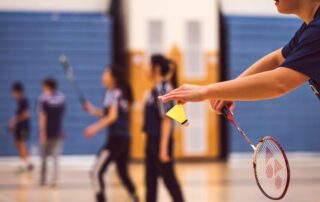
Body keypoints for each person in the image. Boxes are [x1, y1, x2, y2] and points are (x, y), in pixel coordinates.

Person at [160, 0, 320, 115]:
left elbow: (279, 82)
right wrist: (226, 92)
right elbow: (277, 59)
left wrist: (205, 91)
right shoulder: (309, 28)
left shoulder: (317, 30)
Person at [83, 66, 139, 202]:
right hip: (125, 139)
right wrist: (92, 110)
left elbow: (112, 117)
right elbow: (110, 114)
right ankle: (136, 197)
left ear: (113, 78)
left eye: (105, 74)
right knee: (123, 173)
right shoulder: (120, 93)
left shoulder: (113, 93)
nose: (103, 76)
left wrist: (94, 128)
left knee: (95, 172)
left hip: (116, 140)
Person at [143, 54, 184, 202]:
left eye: (148, 65)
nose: (145, 69)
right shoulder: (154, 89)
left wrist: (163, 148)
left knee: (169, 181)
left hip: (160, 142)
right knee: (150, 182)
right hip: (152, 141)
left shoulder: (163, 88)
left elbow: (167, 120)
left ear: (157, 68)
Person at [38, 78, 65, 187]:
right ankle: (55, 181)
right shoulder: (61, 97)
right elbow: (62, 115)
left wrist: (42, 131)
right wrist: (61, 129)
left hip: (47, 132)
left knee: (44, 158)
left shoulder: (43, 98)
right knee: (56, 158)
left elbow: (42, 116)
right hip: (57, 131)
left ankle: (43, 180)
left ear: (47, 86)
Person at [9, 82, 33, 173]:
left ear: (16, 91)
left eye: (13, 91)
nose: (12, 94)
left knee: (22, 145)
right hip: (19, 127)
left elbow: (27, 114)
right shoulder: (19, 101)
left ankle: (26, 164)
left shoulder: (23, 100)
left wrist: (15, 120)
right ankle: (26, 163)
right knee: (17, 144)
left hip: (23, 127)